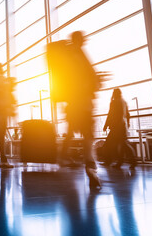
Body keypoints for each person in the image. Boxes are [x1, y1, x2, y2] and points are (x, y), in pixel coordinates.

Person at [60, 31, 102, 190]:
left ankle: (68, 156)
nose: (85, 40)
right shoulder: (76, 55)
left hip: (77, 103)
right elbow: (80, 79)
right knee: (87, 134)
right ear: (78, 40)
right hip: (81, 102)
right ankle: (89, 165)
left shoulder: (75, 54)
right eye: (82, 38)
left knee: (76, 132)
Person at [103, 88, 137, 169]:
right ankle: (130, 162)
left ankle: (109, 161)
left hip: (116, 127)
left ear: (114, 94)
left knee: (108, 144)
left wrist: (106, 125)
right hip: (122, 126)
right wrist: (127, 124)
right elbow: (128, 114)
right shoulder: (124, 102)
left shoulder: (114, 102)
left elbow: (110, 114)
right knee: (124, 144)